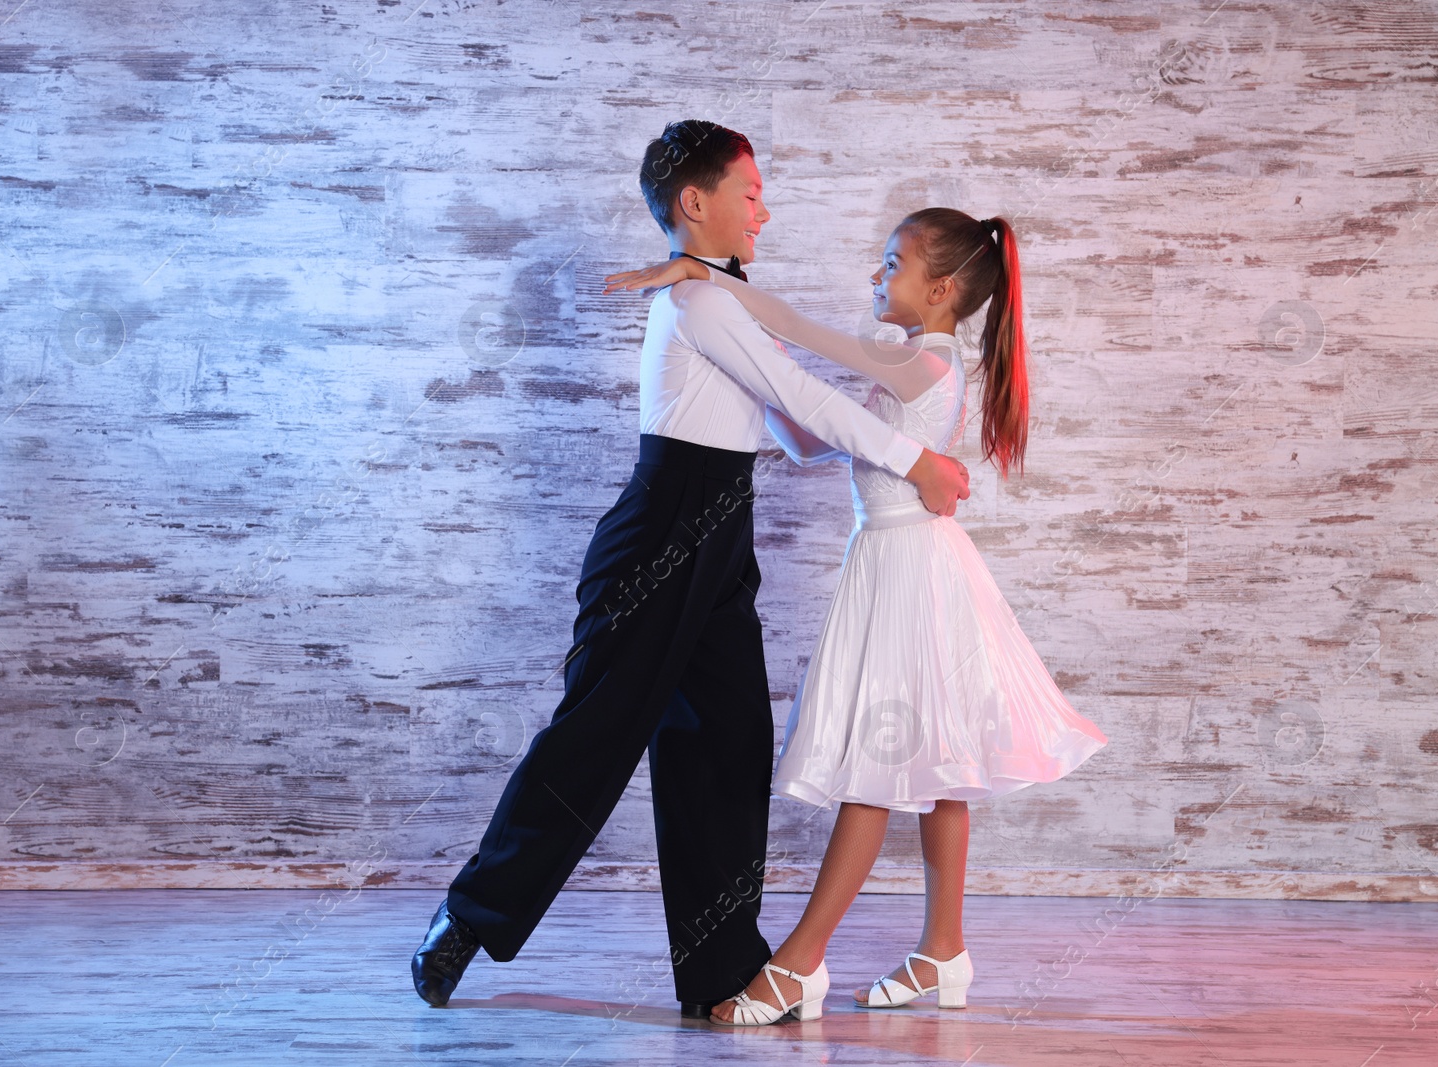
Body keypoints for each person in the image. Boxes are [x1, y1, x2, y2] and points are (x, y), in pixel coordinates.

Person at [411, 122, 971, 1018]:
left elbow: (793, 430)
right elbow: (803, 398)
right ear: (694, 202)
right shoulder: (700, 305)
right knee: (592, 743)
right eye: (751, 193)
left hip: (723, 531)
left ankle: (719, 970)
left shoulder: (722, 299)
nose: (765, 209)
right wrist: (914, 463)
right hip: (660, 530)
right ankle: (468, 917)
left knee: (727, 745)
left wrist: (887, 446)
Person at [603, 208, 1108, 1024]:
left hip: (909, 569)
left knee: (882, 761)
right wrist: (748, 373)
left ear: (940, 290)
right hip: (902, 561)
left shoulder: (922, 361)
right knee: (942, 764)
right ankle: (943, 948)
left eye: (891, 264)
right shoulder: (913, 365)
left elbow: (804, 331)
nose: (875, 278)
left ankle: (800, 964)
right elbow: (811, 440)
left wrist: (707, 277)